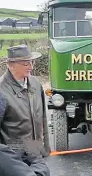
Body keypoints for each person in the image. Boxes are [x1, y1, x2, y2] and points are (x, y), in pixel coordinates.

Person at [0, 44, 51, 176]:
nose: (31, 67)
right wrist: (8, 162)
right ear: (11, 65)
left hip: (34, 151)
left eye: (32, 62)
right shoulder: (1, 91)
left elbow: (43, 118)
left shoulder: (35, 83)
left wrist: (45, 148)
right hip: (13, 158)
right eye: (25, 63)